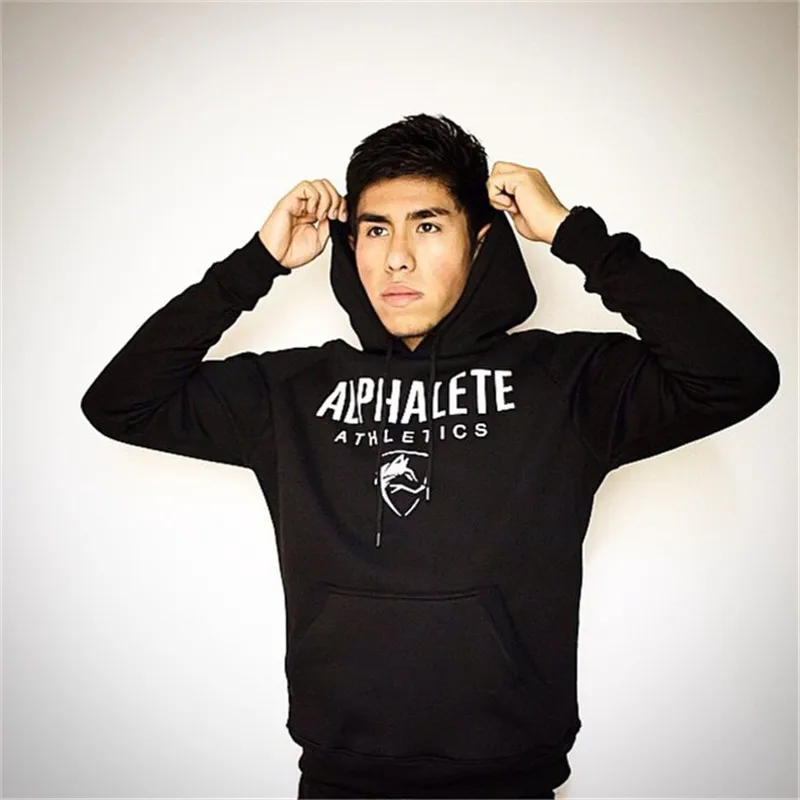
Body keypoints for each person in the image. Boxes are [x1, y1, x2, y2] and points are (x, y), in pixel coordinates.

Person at [80, 113, 780, 799]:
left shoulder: (564, 385)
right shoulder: (291, 393)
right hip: (339, 782)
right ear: (350, 243)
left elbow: (736, 375)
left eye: (428, 225)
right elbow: (120, 403)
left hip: (509, 784)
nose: (397, 258)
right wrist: (254, 265)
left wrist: (574, 234)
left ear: (480, 241)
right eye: (375, 229)